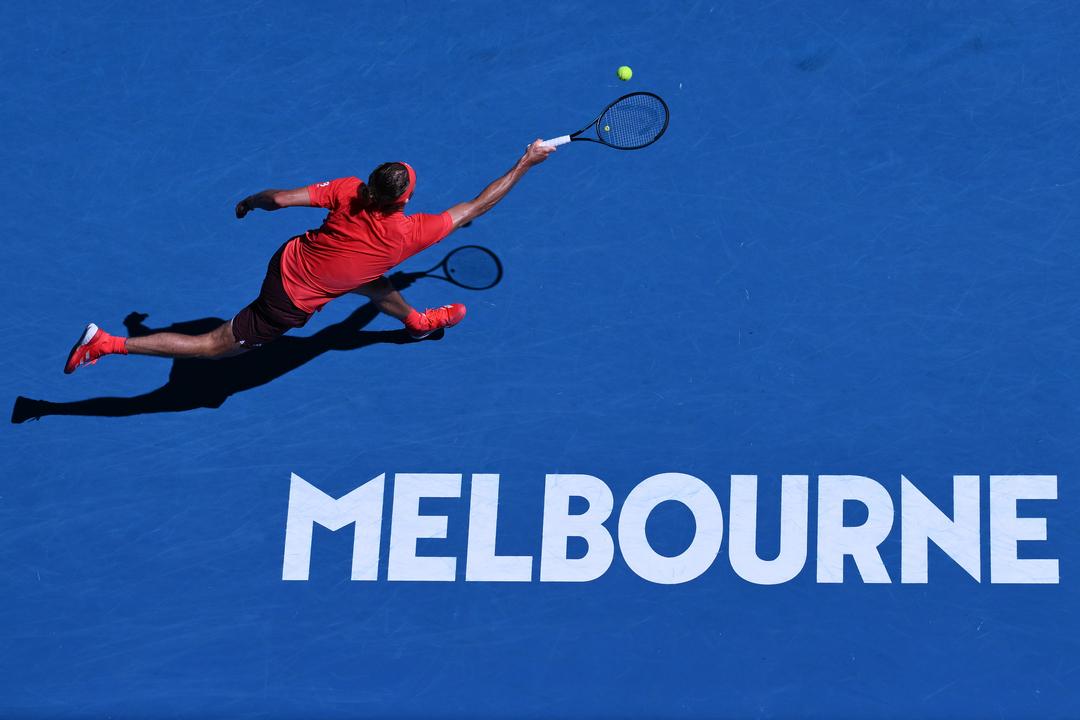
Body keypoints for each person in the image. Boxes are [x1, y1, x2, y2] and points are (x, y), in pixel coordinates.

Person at [63, 139, 555, 374]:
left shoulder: (347, 190)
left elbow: (277, 200)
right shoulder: (412, 233)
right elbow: (480, 204)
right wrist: (525, 163)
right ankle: (108, 344)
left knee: (369, 277)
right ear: (403, 199)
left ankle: (416, 321)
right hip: (290, 299)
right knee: (216, 345)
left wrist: (249, 201)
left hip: (291, 258)